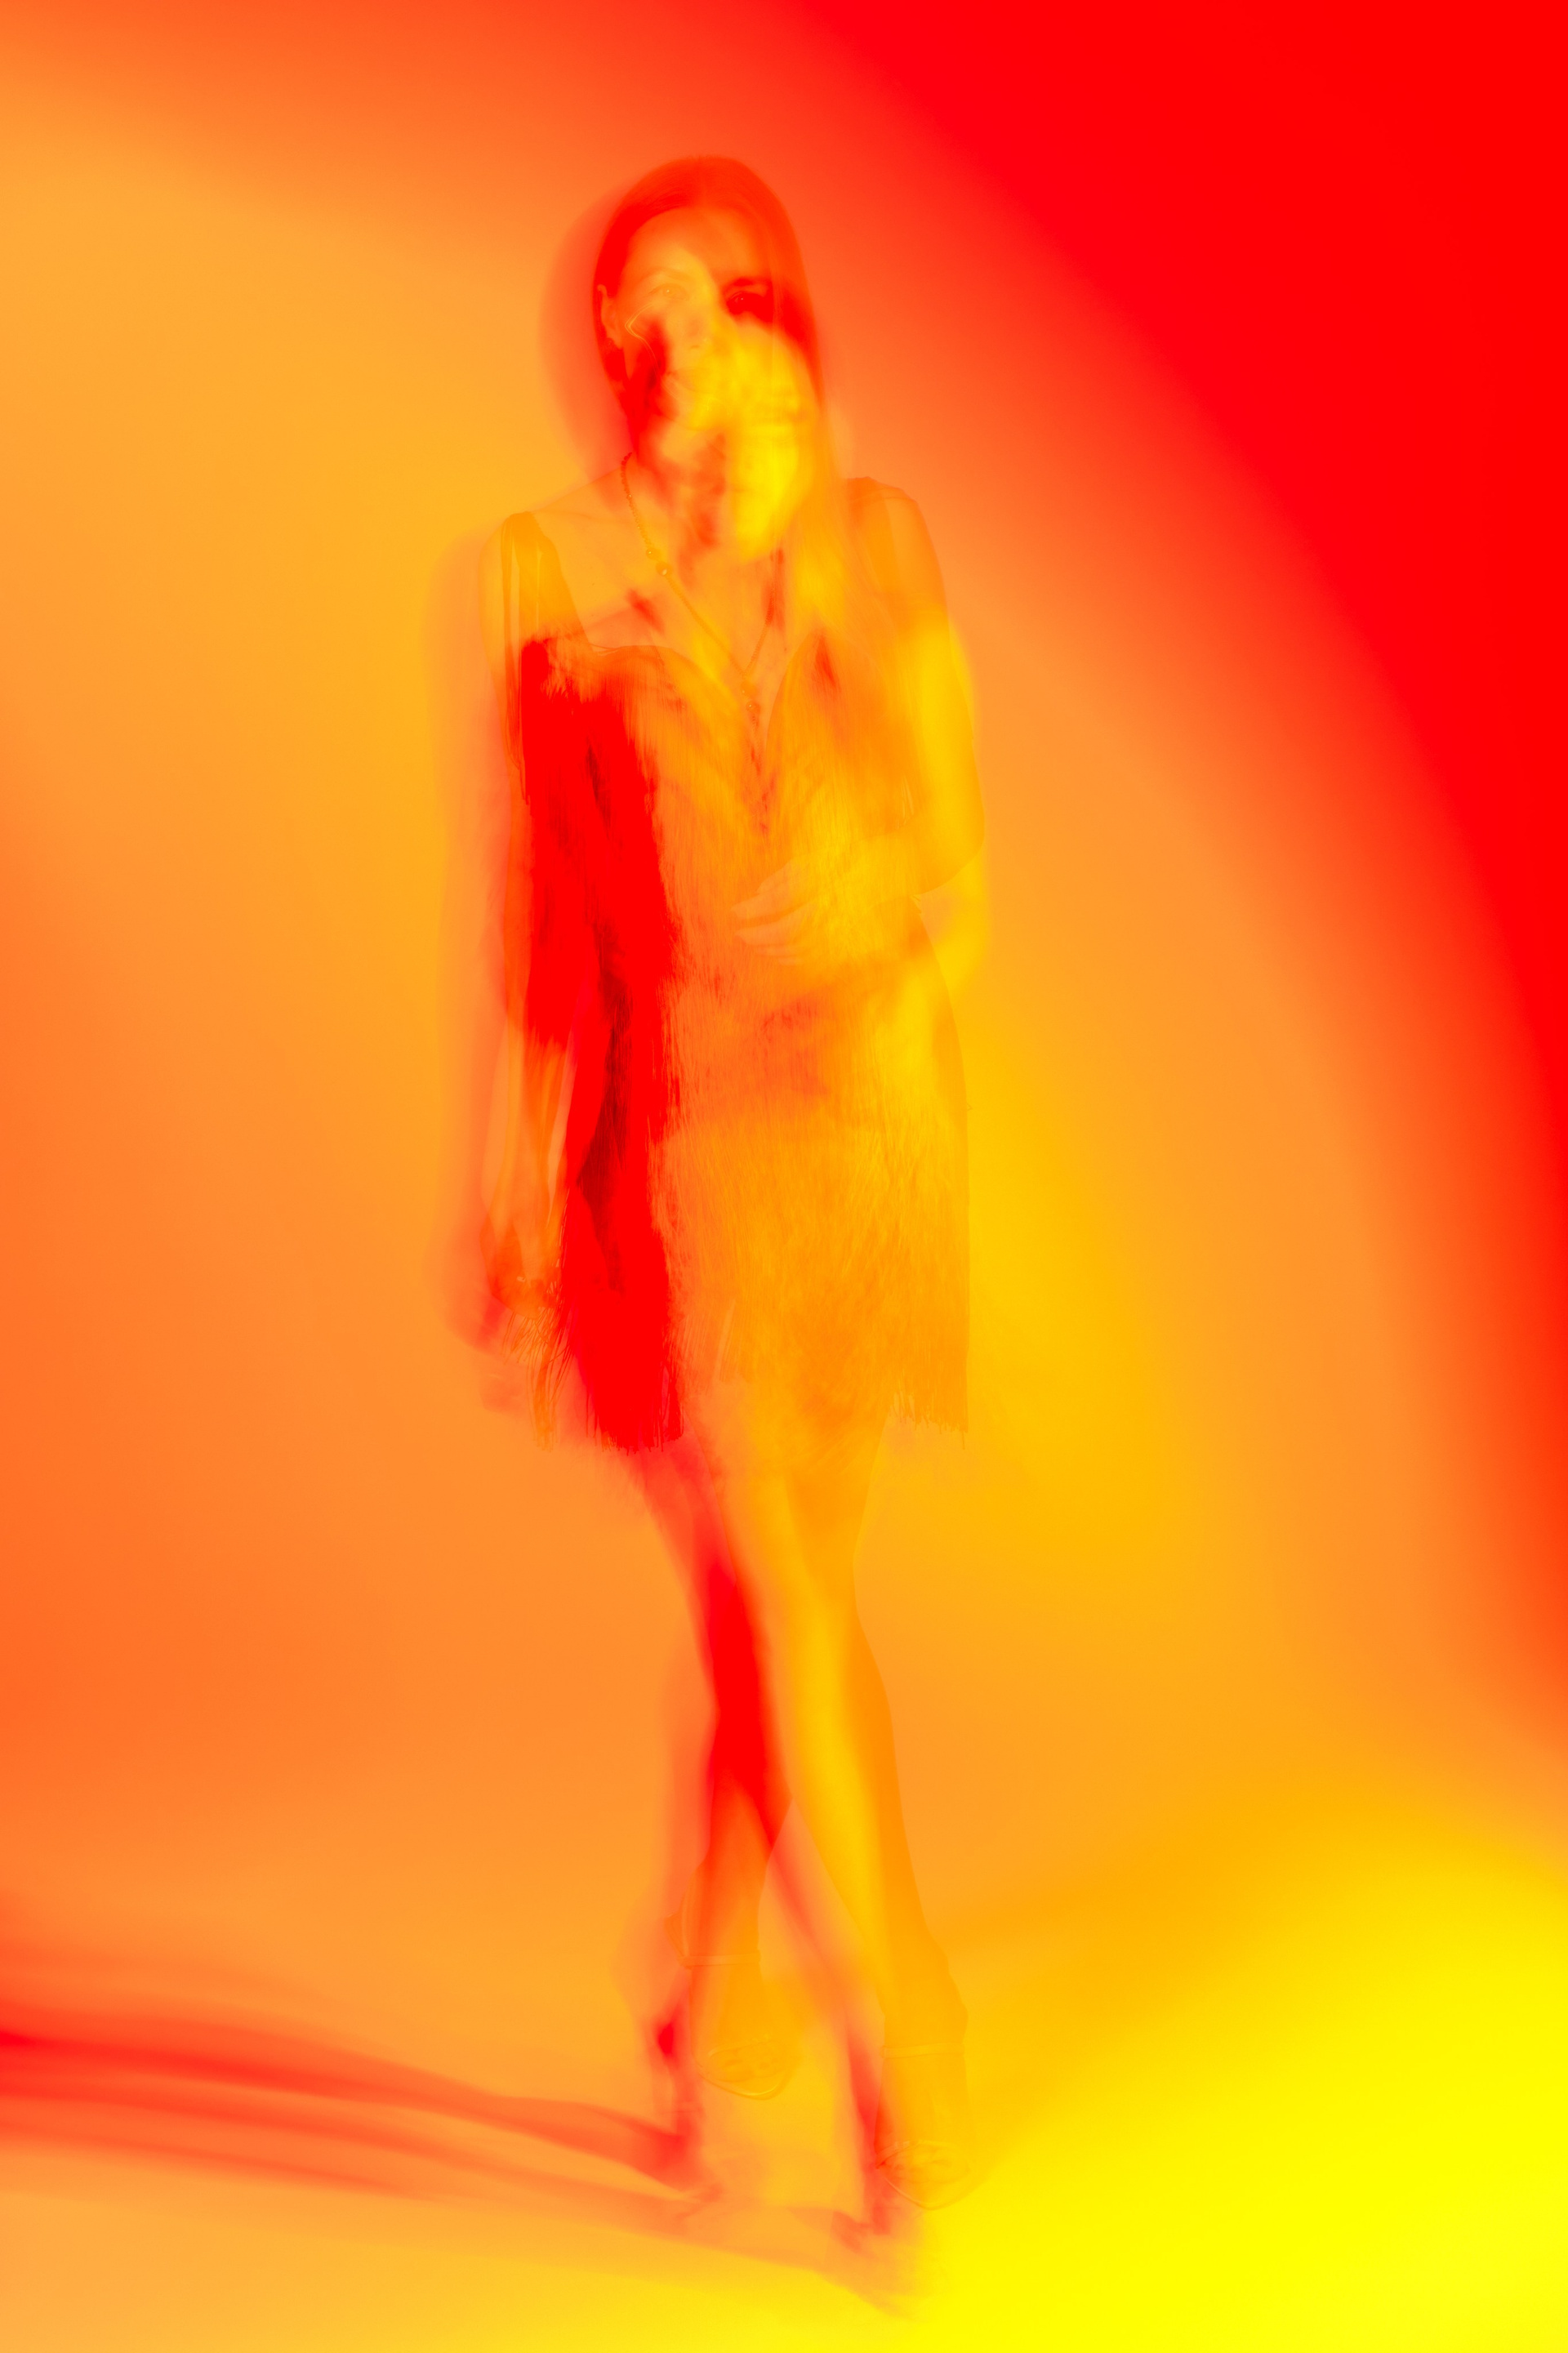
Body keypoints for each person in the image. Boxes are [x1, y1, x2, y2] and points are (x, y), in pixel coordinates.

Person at [476, 157, 984, 2210]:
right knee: (781, 1583)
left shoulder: (871, 534)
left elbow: (952, 862)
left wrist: (884, 938)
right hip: (680, 1138)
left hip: (860, 1127)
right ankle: (901, 2033)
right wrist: (516, 1181)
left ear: (777, 319)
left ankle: (696, 1986)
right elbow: (547, 931)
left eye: (706, 299)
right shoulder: (548, 574)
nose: (664, 338)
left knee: (784, 1606)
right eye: (633, 310)